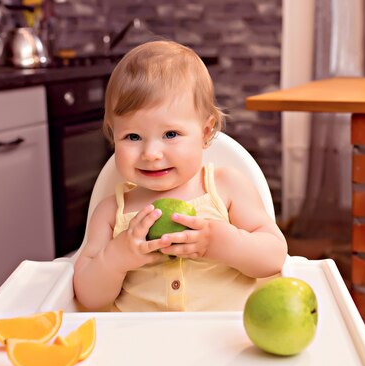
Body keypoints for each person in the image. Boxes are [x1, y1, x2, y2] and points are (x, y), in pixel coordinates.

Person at [74, 40, 288, 312]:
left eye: (170, 134)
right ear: (112, 134)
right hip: (137, 341)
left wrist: (223, 243)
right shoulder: (111, 211)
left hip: (226, 341)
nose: (151, 153)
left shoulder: (226, 188)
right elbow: (88, 296)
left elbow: (274, 257)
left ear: (206, 131)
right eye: (133, 136)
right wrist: (118, 257)